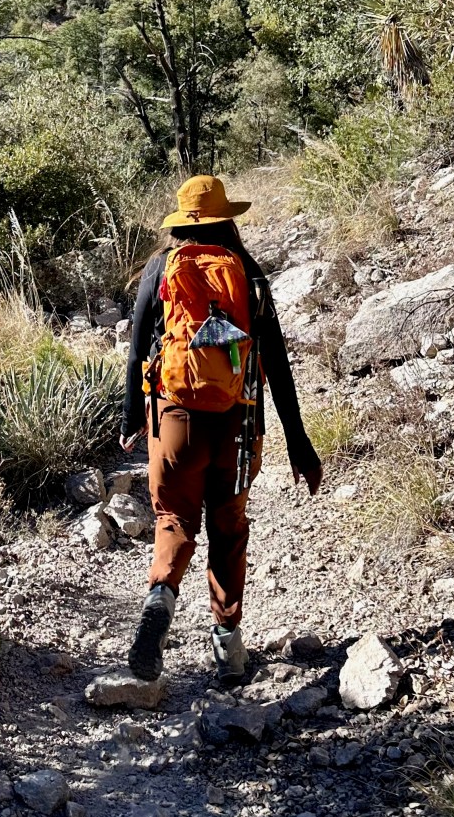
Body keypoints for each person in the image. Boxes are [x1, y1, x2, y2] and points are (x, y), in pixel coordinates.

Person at [120, 174, 323, 684]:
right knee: (228, 529)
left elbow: (137, 350)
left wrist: (130, 418)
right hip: (237, 423)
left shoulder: (159, 269)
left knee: (174, 518)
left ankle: (160, 597)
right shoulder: (248, 275)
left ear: (181, 221)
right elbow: (276, 362)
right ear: (226, 219)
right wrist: (299, 443)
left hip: (174, 422)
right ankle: (228, 646)